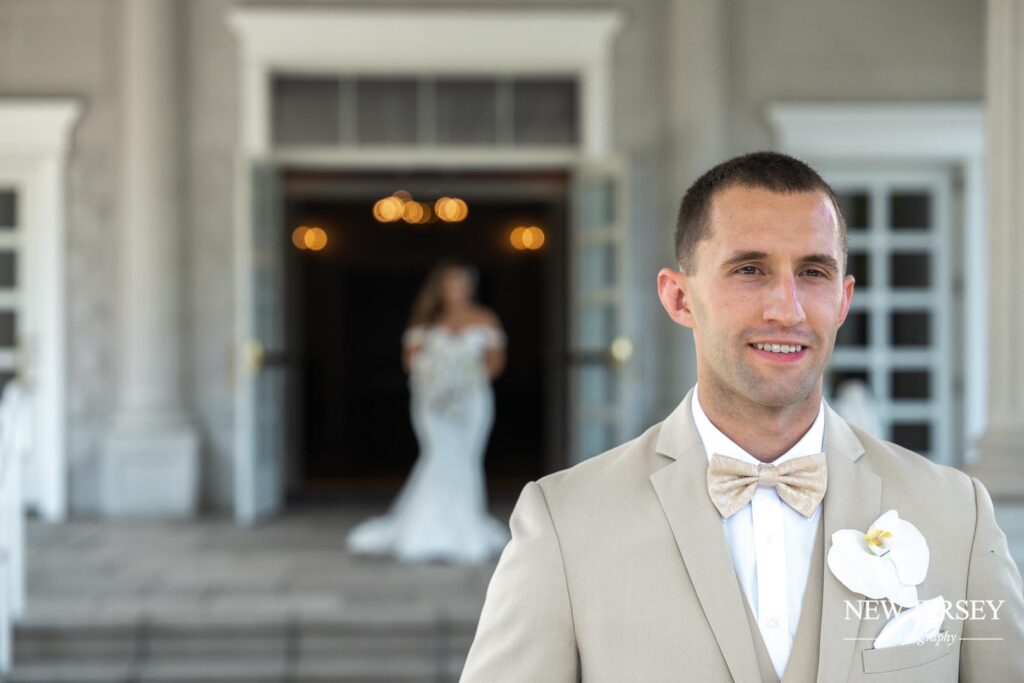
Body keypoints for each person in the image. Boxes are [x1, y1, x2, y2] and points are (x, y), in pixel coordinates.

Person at [461, 152, 1024, 681]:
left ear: (844, 299)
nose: (787, 308)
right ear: (680, 298)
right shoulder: (563, 524)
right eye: (750, 270)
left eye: (813, 272)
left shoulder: (958, 515)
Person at [346, 260, 510, 564]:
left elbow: (495, 364)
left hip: (472, 402)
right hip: (432, 404)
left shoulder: (484, 318)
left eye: (462, 284)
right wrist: (438, 377)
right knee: (438, 456)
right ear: (440, 288)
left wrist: (465, 379)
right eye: (451, 284)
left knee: (465, 459)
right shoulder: (425, 322)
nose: (457, 290)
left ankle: (463, 528)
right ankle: (428, 531)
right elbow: (411, 365)